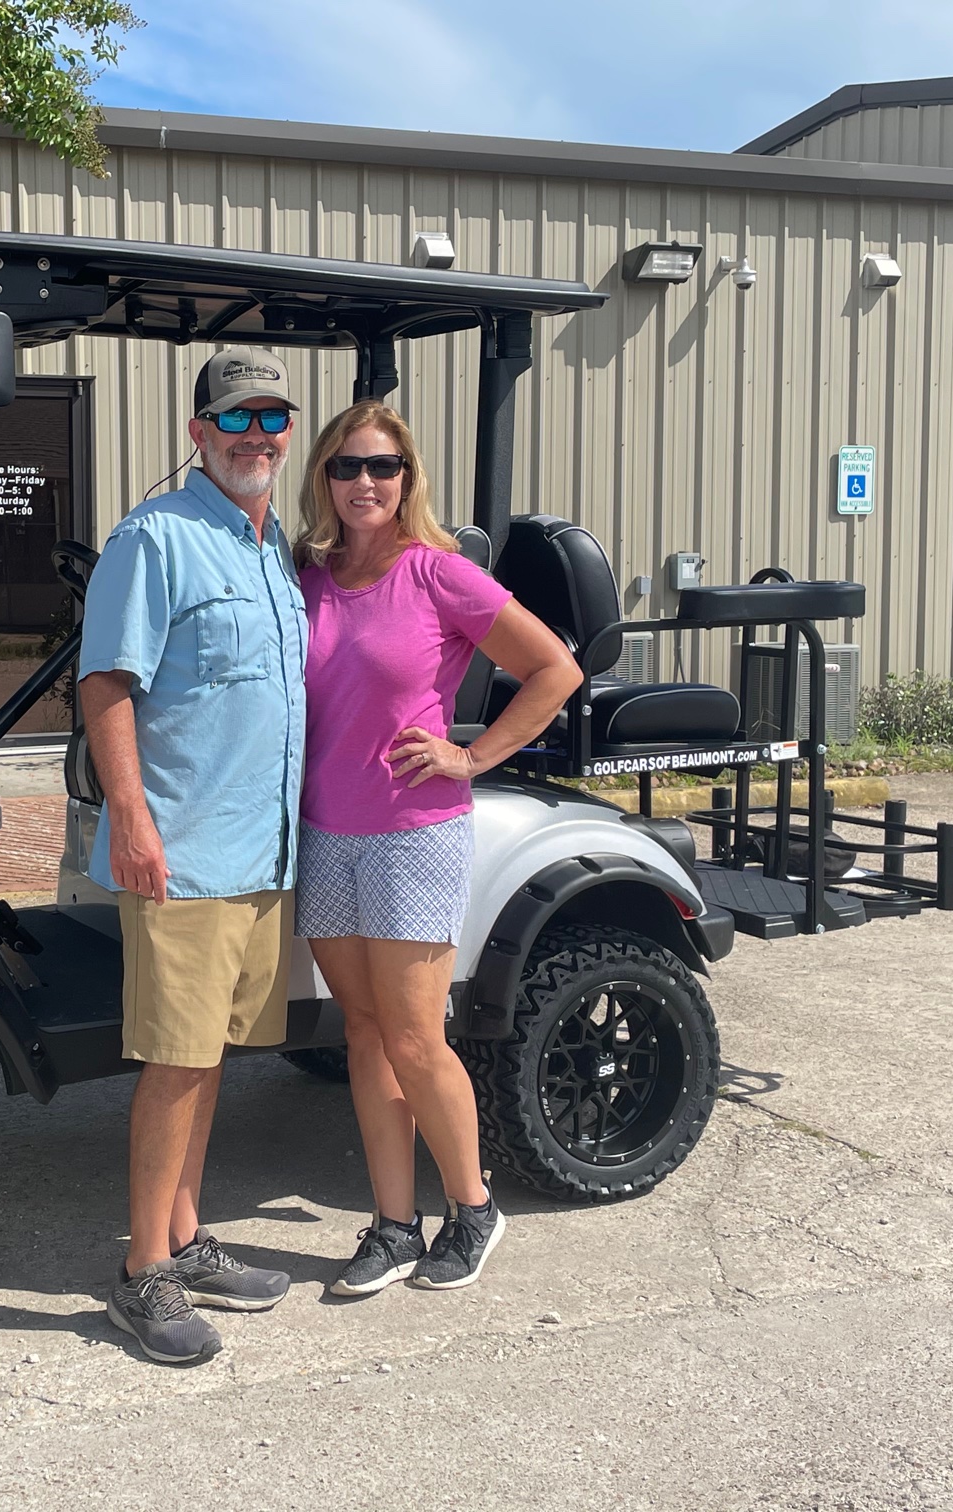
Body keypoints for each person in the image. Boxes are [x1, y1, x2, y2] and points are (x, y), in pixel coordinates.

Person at [293, 400, 582, 1296]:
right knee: (368, 1033)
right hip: (324, 831)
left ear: (408, 479)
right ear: (324, 480)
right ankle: (392, 1225)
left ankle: (472, 1206)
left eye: (383, 468)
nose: (365, 484)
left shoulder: (437, 573)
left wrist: (472, 754)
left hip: (413, 833)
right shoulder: (305, 575)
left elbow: (556, 670)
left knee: (417, 1036)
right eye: (347, 468)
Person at [77, 347, 310, 1364]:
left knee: (210, 1057)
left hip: (263, 856)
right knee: (175, 1061)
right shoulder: (154, 540)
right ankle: (142, 1273)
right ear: (198, 434)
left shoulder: (274, 551)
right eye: (236, 420)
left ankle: (186, 1235)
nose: (255, 437)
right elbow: (106, 687)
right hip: (184, 852)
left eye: (272, 419)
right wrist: (130, 818)